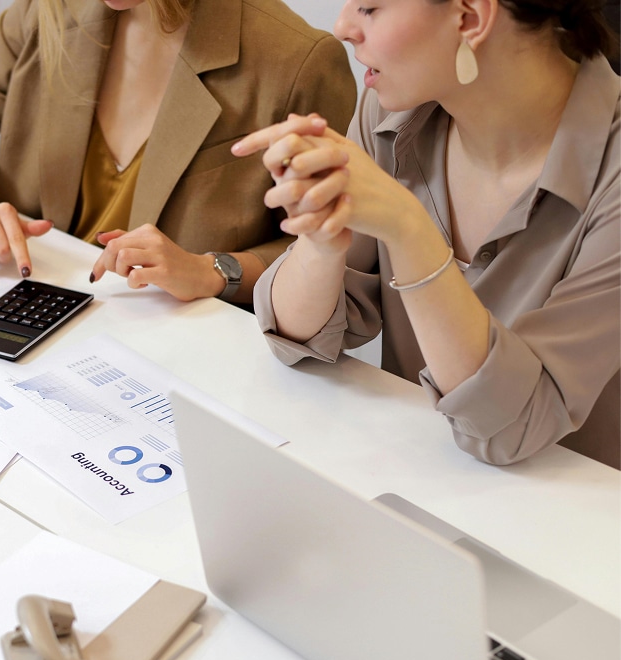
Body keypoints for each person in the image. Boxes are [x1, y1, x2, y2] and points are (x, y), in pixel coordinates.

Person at [234, 0, 620, 467]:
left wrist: (409, 230)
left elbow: (510, 429)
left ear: (470, 17)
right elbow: (297, 338)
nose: (341, 28)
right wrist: (319, 240)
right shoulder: (390, 112)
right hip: (411, 482)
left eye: (370, 7)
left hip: (568, 520)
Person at [0, 0, 356, 305]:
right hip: (28, 310)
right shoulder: (46, 10)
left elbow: (331, 248)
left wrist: (212, 271)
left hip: (182, 360)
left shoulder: (298, 60)